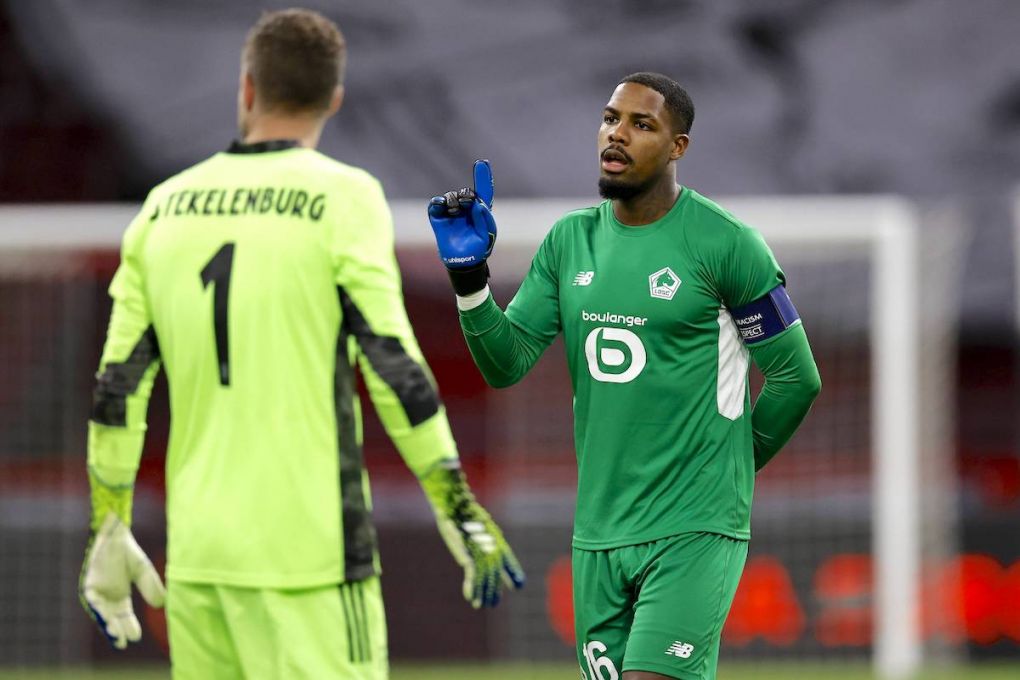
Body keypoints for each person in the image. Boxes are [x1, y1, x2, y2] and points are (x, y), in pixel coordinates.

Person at [78, 9, 524, 679]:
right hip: (310, 560)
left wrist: (107, 526)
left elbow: (117, 386)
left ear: (247, 89)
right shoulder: (345, 199)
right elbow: (392, 365)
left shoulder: (163, 207)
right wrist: (454, 503)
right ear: (334, 100)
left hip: (200, 563)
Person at [427, 72, 821, 680]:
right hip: (599, 535)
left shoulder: (727, 244)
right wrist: (470, 279)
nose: (618, 134)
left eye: (642, 124)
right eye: (611, 118)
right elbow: (505, 364)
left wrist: (727, 471)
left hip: (693, 528)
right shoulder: (569, 242)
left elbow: (796, 378)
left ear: (677, 147)